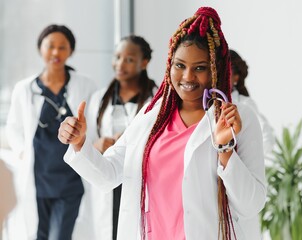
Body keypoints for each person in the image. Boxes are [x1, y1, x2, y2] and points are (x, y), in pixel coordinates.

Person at [58, 6, 266, 240]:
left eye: (200, 68)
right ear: (169, 66)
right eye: (180, 65)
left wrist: (225, 149)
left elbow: (251, 205)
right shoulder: (152, 116)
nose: (188, 77)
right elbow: (109, 175)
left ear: (215, 70)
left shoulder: (238, 119)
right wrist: (79, 143)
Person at [6, 24, 96, 240]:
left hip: (70, 181)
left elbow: (92, 126)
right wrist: (21, 152)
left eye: (62, 47)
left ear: (71, 51)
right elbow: (14, 127)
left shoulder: (86, 85)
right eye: (50, 46)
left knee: (59, 237)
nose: (56, 52)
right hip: (37, 178)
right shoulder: (25, 88)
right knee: (37, 235)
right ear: (40, 49)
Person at [85, 35, 157, 240]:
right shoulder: (99, 98)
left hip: (141, 176)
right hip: (108, 176)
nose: (120, 64)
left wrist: (130, 144)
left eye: (129, 59)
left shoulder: (156, 99)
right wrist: (98, 144)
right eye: (117, 57)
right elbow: (89, 138)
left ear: (144, 62)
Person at [229, 49, 275, 155]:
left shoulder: (245, 104)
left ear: (236, 77)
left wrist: (248, 163)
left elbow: (267, 138)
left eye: (225, 71)